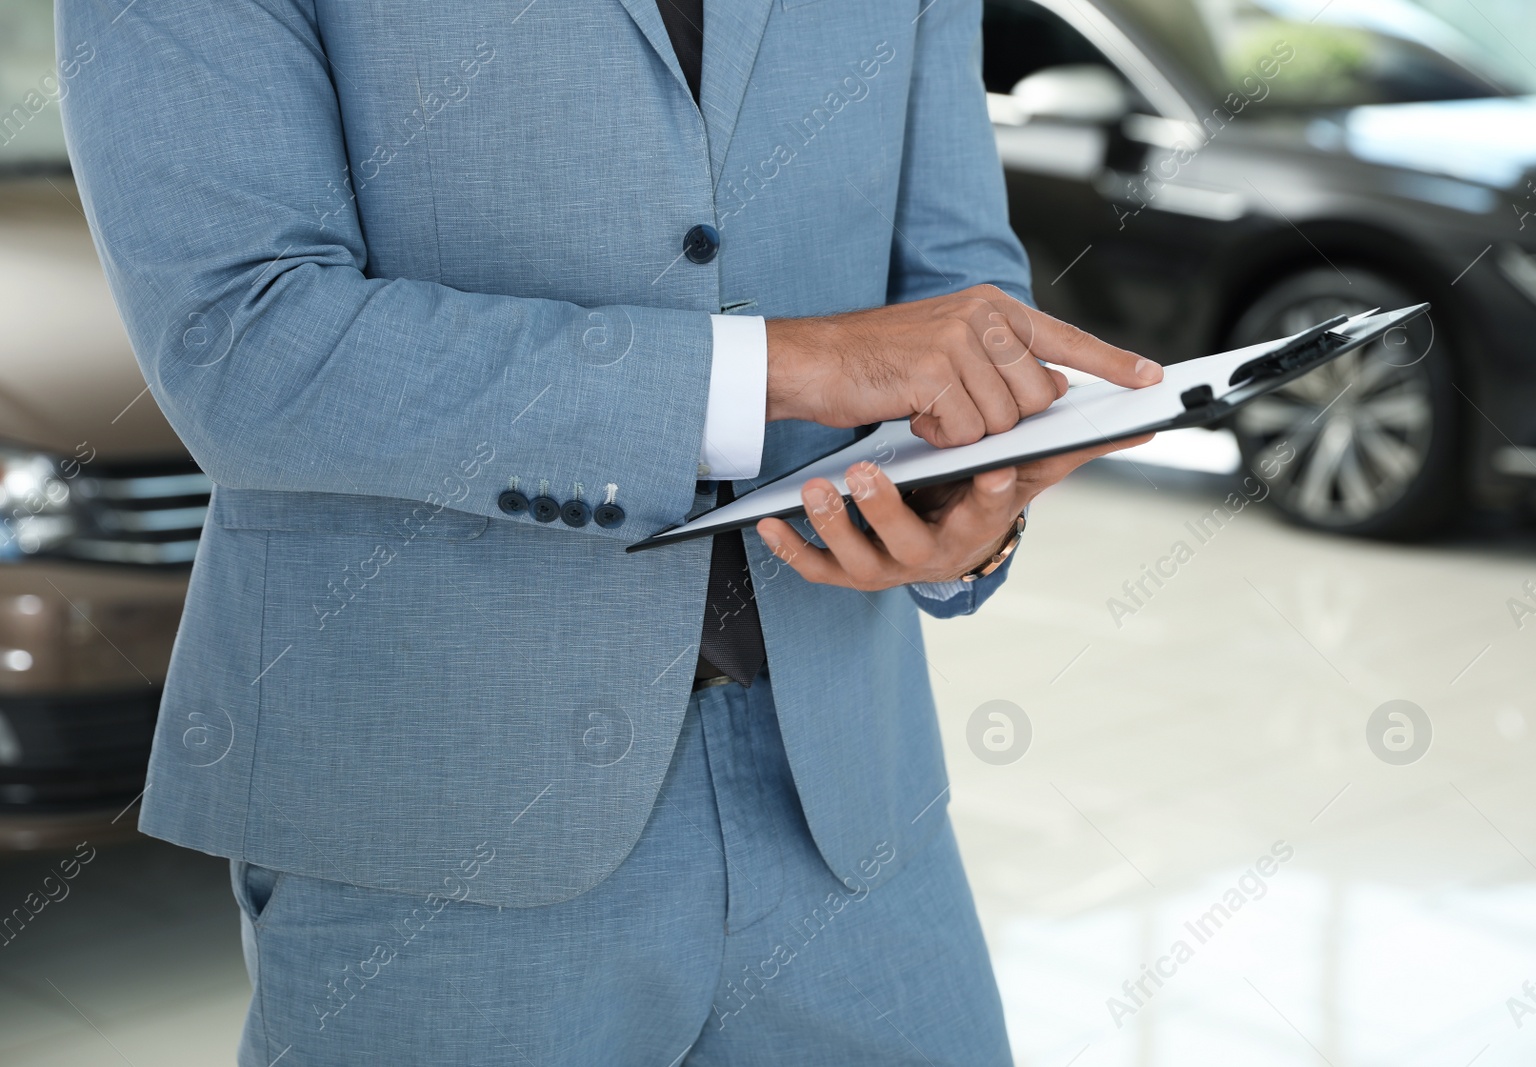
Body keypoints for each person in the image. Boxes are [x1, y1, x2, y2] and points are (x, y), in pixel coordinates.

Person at [61, 0, 1160, 1062]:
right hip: (440, 819)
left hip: (851, 800)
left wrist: (966, 510)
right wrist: (786, 364)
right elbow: (244, 345)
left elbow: (954, 294)